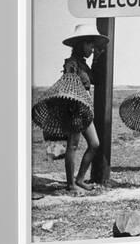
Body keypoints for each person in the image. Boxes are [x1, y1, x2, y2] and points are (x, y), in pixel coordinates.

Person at [34, 24, 108, 192]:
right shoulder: (71, 63)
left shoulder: (83, 64)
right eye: (90, 45)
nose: (92, 48)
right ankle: (71, 184)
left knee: (94, 144)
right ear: (82, 44)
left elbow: (95, 79)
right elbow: (67, 85)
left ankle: (80, 179)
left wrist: (97, 58)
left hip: (84, 109)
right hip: (75, 109)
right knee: (72, 145)